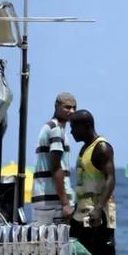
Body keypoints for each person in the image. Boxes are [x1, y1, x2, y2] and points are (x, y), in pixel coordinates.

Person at [69, 110, 117, 255]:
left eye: (74, 127)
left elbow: (110, 179)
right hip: (81, 212)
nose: (71, 132)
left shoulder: (102, 148)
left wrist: (98, 209)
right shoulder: (84, 149)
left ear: (86, 126)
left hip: (97, 214)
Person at [32, 93, 77, 225]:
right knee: (58, 243)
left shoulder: (49, 127)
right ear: (56, 106)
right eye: (67, 107)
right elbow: (56, 166)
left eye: (74, 108)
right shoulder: (56, 129)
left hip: (44, 199)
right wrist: (65, 203)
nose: (72, 111)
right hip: (53, 201)